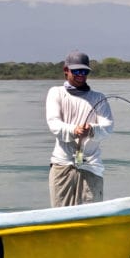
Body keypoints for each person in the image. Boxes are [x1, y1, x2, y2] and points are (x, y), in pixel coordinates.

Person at [45, 50, 114, 206]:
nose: (81, 74)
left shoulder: (98, 98)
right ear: (66, 70)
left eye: (84, 71)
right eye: (76, 71)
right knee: (60, 216)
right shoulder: (56, 93)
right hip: (62, 165)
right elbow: (54, 124)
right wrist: (74, 130)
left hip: (91, 167)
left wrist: (92, 129)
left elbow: (108, 127)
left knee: (91, 215)